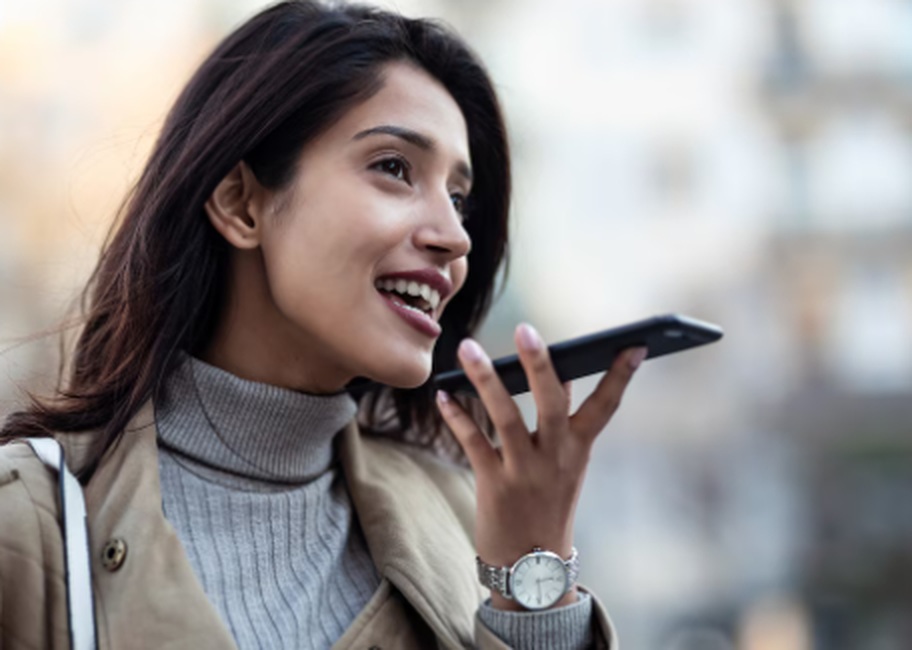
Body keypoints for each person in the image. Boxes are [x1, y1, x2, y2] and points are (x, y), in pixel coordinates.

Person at [0, 1, 645, 648]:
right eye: (394, 168)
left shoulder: (466, 522)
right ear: (240, 204)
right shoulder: (29, 526)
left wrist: (533, 587)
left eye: (458, 200)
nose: (456, 238)